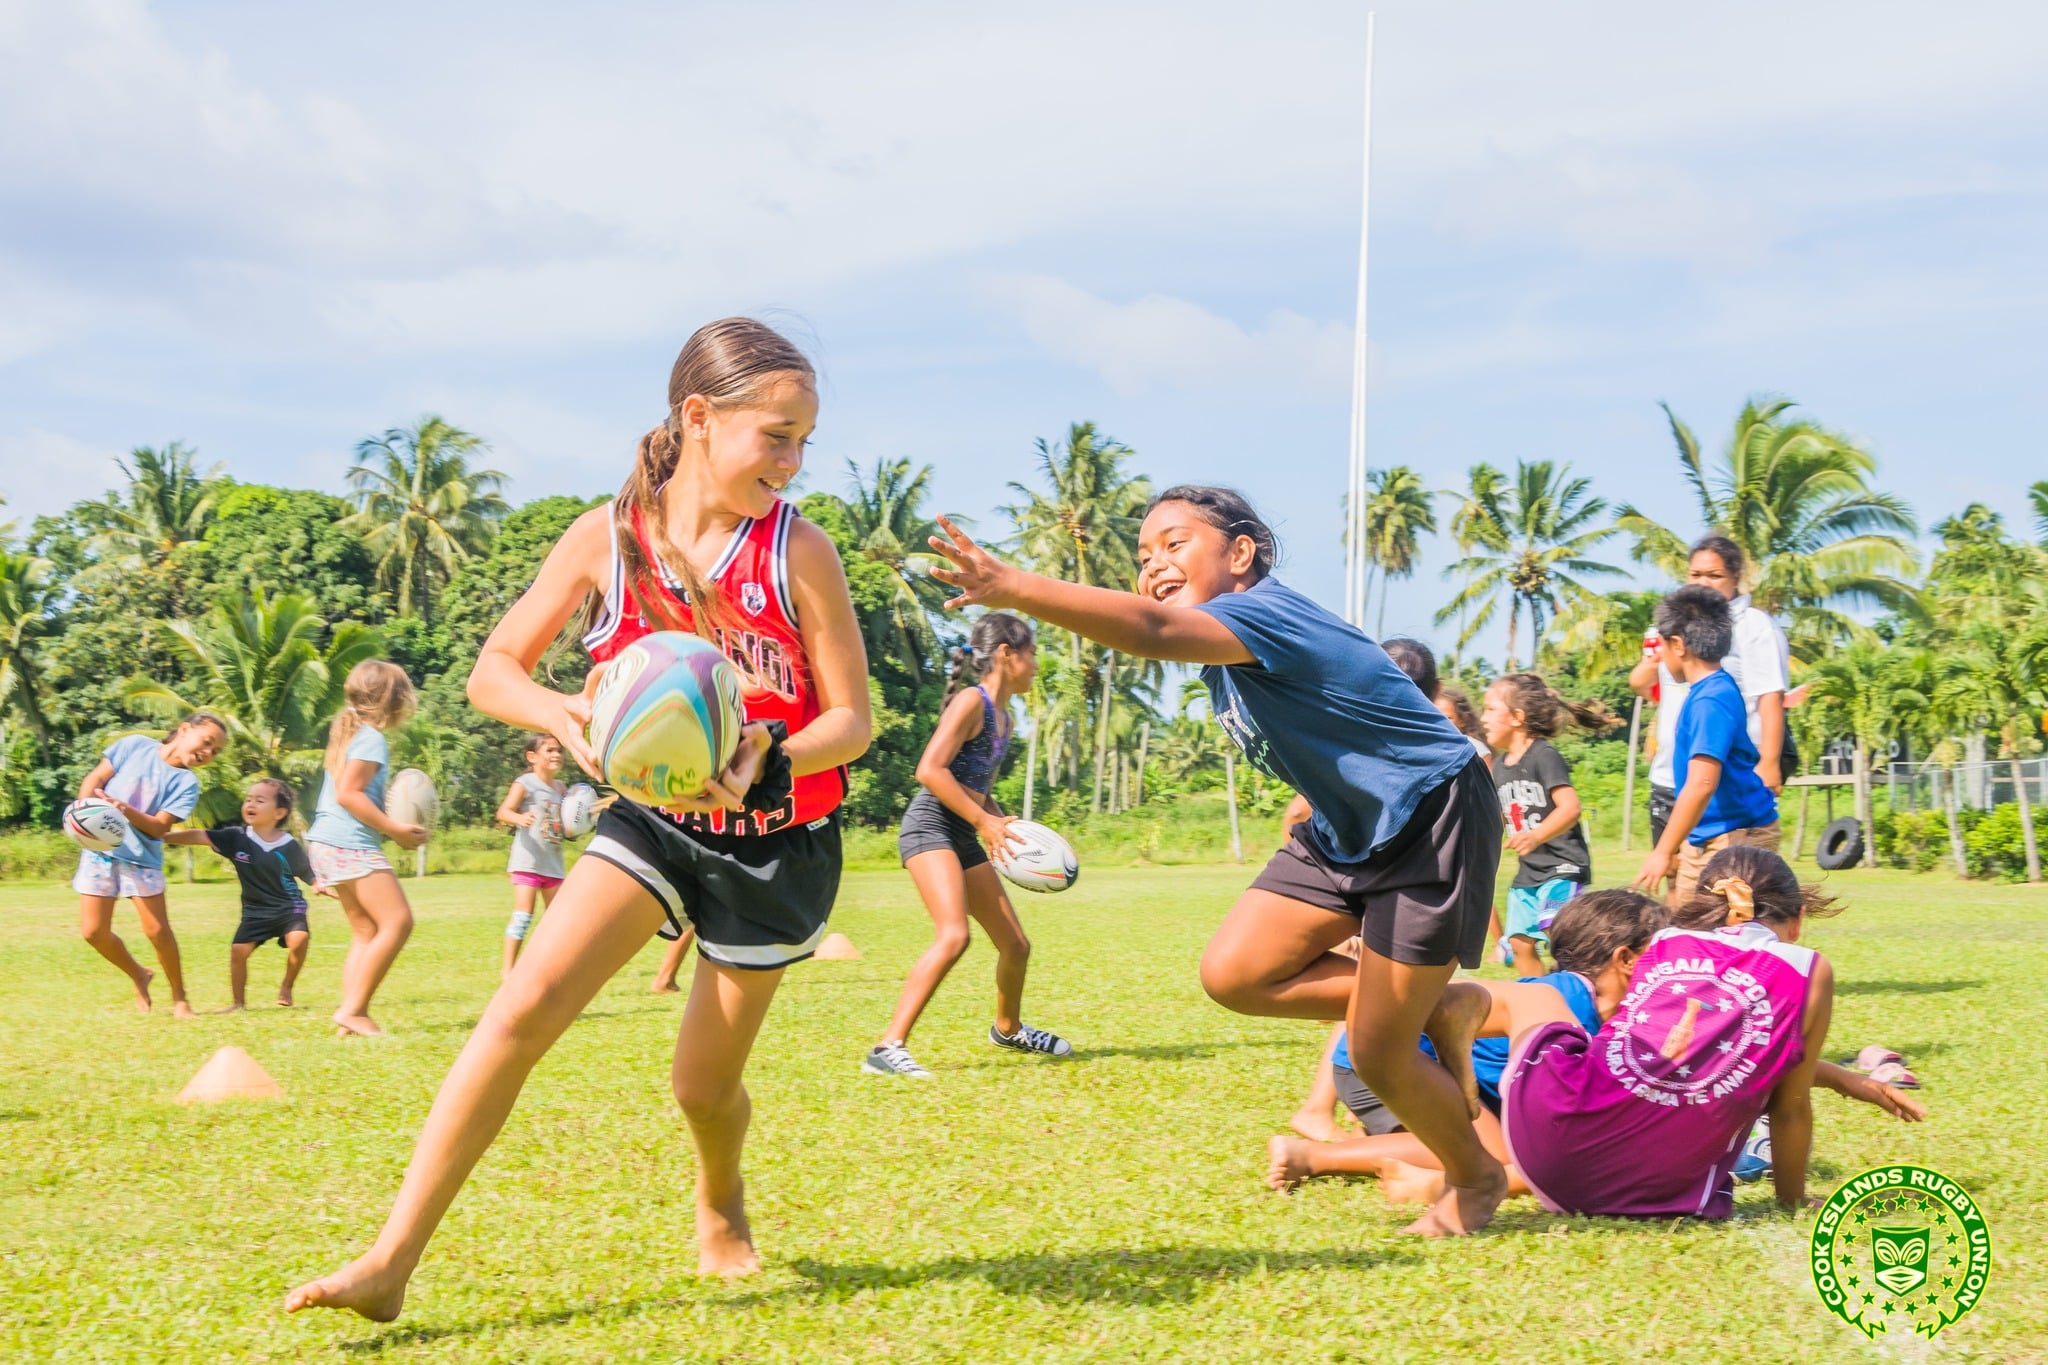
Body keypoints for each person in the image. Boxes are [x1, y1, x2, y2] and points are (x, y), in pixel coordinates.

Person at [287, 317, 871, 1322]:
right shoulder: (604, 539)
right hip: (649, 825)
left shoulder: (797, 550)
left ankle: (718, 1199)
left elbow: (851, 719)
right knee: (517, 1015)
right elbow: (492, 671)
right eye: (776, 435)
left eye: (803, 440)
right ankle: (390, 1262)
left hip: (775, 844)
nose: (792, 460)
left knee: (700, 1088)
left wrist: (773, 760)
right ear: (698, 417)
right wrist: (562, 710)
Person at [930, 486, 1508, 1237]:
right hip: (1347, 828)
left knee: (1376, 1051)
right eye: (1143, 556)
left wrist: (1013, 586)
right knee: (1234, 972)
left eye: (1174, 543)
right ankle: (1436, 1005)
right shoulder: (1230, 653)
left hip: (1432, 812)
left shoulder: (1264, 611)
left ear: (1240, 554)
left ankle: (1475, 1177)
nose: (1154, 565)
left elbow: (1151, 628)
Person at [1425, 844, 1838, 1219]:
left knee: (1534, 1000)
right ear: (1798, 919)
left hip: (1548, 1157)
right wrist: (1792, 1200)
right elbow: (1789, 1107)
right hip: (1668, 1191)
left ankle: (1436, 1003)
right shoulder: (1809, 969)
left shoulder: (1663, 941)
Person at [1267, 888, 1666, 1193]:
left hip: (1414, 1068)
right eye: (1663, 954)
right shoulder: (1569, 1004)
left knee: (1498, 1142)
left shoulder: (1591, 1008)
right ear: (1625, 959)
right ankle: (1313, 1157)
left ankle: (1390, 1133)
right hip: (1389, 1067)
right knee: (1499, 1156)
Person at [865, 612, 1068, 1079]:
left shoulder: (1006, 719)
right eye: (1032, 653)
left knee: (1015, 945)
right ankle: (886, 1047)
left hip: (961, 828)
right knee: (954, 935)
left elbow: (976, 784)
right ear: (1006, 654)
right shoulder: (970, 704)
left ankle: (1008, 1028)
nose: (1036, 664)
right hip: (929, 826)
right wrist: (983, 822)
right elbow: (929, 770)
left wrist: (998, 821)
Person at [1629, 534, 1795, 839]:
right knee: (1674, 875)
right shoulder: (1671, 624)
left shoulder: (1753, 626)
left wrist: (1770, 762)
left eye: (1714, 575)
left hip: (1726, 770)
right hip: (1671, 770)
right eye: (1696, 574)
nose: (1703, 582)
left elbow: (1771, 697)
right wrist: (1655, 659)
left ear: (1736, 578)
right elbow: (1647, 687)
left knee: (1725, 871)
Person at [74, 712, 228, 1016]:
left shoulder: (187, 783)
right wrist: (82, 812)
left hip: (141, 860)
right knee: (93, 932)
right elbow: (95, 779)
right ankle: (139, 974)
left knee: (158, 931)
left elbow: (159, 828)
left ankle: (180, 999)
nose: (208, 753)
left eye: (216, 752)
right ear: (185, 729)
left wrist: (124, 809)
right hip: (101, 850)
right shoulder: (134, 745)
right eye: (207, 742)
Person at [1633, 587, 1780, 904]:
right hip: (1707, 836)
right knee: (1689, 932)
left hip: (1737, 836)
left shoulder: (1711, 699)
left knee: (1730, 940)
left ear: (1678, 645)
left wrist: (1662, 851)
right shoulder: (1707, 691)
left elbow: (1701, 783)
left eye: (1662, 646)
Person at [306, 660, 426, 1038]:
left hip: (326, 840)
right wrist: (395, 831)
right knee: (398, 922)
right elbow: (348, 794)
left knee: (366, 931)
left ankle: (350, 1015)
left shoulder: (351, 731)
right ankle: (354, 1010)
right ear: (395, 699)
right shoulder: (370, 738)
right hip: (348, 842)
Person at [1481, 673, 1613, 975]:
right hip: (1529, 873)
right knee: (1518, 942)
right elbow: (1500, 816)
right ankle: (1541, 999)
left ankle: (1587, 982)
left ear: (1517, 717)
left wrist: (1535, 835)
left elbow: (1570, 808)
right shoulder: (1500, 767)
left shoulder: (1544, 756)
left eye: (1490, 709)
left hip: (1562, 867)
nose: (1483, 717)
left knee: (1558, 930)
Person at [166, 778, 328, 1010]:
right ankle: (238, 1004)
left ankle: (287, 986)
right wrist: (162, 836)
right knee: (238, 951)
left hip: (288, 907)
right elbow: (199, 836)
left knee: (299, 939)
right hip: (255, 911)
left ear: (279, 812)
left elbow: (304, 870)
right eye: (248, 799)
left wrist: (315, 883)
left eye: (260, 800)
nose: (251, 804)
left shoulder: (288, 843)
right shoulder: (236, 838)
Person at [495, 734, 568, 979]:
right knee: (524, 914)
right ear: (532, 757)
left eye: (559, 750)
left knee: (556, 921)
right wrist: (519, 818)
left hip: (553, 864)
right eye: (549, 750)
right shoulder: (525, 783)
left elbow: (566, 822)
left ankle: (547, 969)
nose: (557, 754)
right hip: (527, 862)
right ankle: (508, 970)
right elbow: (503, 811)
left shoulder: (561, 789)